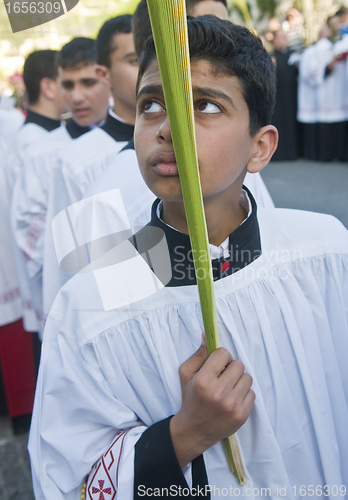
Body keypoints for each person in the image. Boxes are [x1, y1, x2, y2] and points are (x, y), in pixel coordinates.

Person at [29, 16, 348, 499]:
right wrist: (181, 437)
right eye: (152, 104)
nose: (169, 127)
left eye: (205, 106)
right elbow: (66, 478)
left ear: (260, 147)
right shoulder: (94, 308)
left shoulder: (325, 254)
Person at [41, 14, 139, 321]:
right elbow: (68, 266)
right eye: (136, 59)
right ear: (105, 72)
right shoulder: (77, 162)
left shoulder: (196, 142)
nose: (152, 69)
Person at [10, 37, 110, 337]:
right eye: (67, 85)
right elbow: (26, 226)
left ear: (107, 78)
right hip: (71, 296)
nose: (77, 96)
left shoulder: (135, 142)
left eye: (87, 82)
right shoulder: (41, 153)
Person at [271, 29, 299, 161]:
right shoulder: (271, 56)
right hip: (277, 98)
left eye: (285, 37)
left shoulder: (293, 56)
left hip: (291, 96)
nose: (284, 40)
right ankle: (278, 154)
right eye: (280, 37)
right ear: (275, 40)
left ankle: (293, 153)